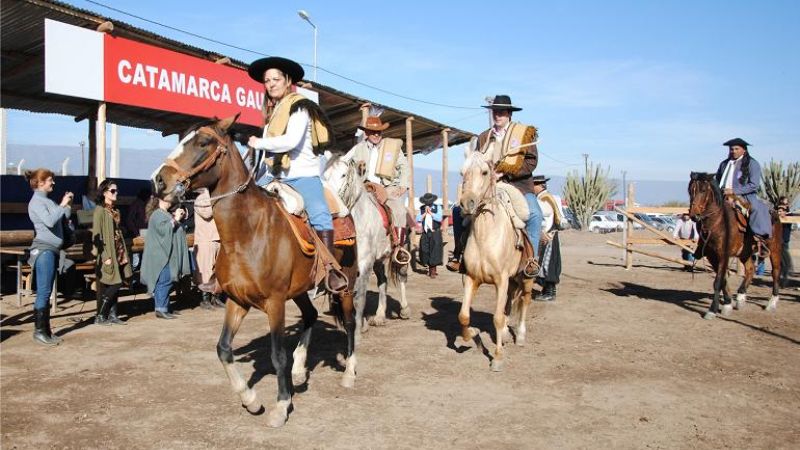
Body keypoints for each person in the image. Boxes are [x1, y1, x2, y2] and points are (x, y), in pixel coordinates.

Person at [245, 56, 345, 291]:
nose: (271, 84)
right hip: (273, 176)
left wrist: (259, 142)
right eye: (267, 80)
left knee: (320, 213)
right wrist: (253, 177)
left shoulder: (300, 106)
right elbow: (268, 156)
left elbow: (291, 141)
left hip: (302, 176)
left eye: (275, 79)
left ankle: (330, 269)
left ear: (287, 80)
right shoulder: (272, 116)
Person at [447, 95, 542, 273]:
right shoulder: (483, 137)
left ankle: (531, 259)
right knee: (458, 211)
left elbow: (531, 162)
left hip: (518, 185)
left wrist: (506, 172)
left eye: (502, 112)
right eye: (495, 112)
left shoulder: (523, 134)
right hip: (488, 187)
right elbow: (475, 162)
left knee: (535, 214)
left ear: (509, 114)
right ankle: (458, 255)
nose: (498, 115)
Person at [343, 115, 410, 245]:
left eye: (378, 132)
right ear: (366, 132)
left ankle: (399, 247)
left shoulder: (392, 147)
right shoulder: (358, 149)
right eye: (373, 132)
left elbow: (404, 166)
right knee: (343, 209)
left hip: (387, 187)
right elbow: (345, 164)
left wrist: (403, 185)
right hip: (364, 188)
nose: (376, 134)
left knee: (400, 211)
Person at [25, 168, 73, 346]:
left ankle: (46, 330)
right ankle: (39, 332)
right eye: (50, 180)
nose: (53, 182)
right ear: (39, 183)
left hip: (52, 250)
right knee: (44, 292)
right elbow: (50, 221)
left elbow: (62, 217)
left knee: (47, 291)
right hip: (44, 251)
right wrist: (61, 205)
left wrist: (66, 206)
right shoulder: (37, 202)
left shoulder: (47, 201)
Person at [715, 138, 772, 254]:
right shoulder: (724, 164)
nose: (733, 151)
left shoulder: (752, 163)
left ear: (744, 150)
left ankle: (759, 237)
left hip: (744, 196)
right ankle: (703, 241)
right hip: (723, 196)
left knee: (757, 208)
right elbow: (718, 180)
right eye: (731, 149)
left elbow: (754, 185)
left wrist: (734, 191)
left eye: (736, 149)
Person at [91, 179, 133, 325]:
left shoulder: (115, 211)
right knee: (115, 283)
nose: (116, 193)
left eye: (116, 190)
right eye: (112, 191)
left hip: (119, 252)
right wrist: (104, 256)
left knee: (116, 283)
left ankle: (113, 315)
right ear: (104, 193)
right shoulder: (99, 211)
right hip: (108, 253)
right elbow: (96, 235)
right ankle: (101, 315)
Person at [141, 199, 191, 319]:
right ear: (160, 200)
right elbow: (164, 230)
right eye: (168, 198)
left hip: (168, 254)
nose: (171, 200)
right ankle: (160, 309)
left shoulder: (166, 214)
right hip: (161, 255)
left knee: (168, 280)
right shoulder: (157, 214)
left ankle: (165, 307)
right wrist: (176, 219)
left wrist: (178, 218)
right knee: (164, 281)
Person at [192, 189, 225, 310]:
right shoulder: (201, 198)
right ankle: (204, 298)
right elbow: (207, 213)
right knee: (206, 270)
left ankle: (216, 297)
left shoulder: (216, 196)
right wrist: (217, 200)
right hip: (205, 239)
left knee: (218, 270)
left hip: (218, 239)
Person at [532, 176, 562, 301]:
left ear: (538, 185)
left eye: (533, 185)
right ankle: (546, 291)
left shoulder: (543, 199)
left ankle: (550, 293)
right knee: (547, 263)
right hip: (550, 234)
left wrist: (541, 232)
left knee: (547, 264)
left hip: (547, 236)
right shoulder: (548, 197)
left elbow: (544, 215)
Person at [416, 193, 443, 278]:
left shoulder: (438, 207)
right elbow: (418, 219)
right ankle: (429, 267)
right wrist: (425, 213)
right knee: (424, 250)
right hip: (425, 232)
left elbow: (439, 218)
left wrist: (430, 213)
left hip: (435, 232)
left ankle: (433, 270)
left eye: (429, 202)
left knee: (435, 250)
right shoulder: (422, 208)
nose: (428, 204)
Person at [777, 196, 793, 287]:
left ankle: (784, 279)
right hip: (776, 242)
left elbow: (791, 215)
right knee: (779, 262)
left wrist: (785, 213)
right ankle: (780, 279)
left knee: (785, 262)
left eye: (786, 204)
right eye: (783, 204)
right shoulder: (776, 216)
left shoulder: (789, 216)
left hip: (784, 241)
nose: (785, 206)